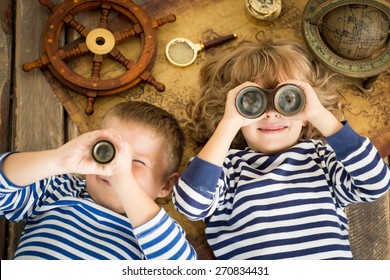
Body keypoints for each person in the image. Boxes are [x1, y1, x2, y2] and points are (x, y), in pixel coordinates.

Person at [172, 40, 390, 260]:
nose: (271, 113)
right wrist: (228, 124)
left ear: (306, 113)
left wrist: (319, 115)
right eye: (251, 101)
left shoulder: (321, 158)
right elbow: (189, 205)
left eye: (287, 99)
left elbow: (376, 183)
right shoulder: (225, 168)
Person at [0, 101, 197, 260]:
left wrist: (124, 180)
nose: (117, 165)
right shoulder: (58, 189)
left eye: (137, 161)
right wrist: (58, 160)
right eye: (109, 151)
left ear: (166, 185)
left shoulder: (158, 233)